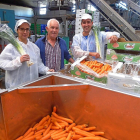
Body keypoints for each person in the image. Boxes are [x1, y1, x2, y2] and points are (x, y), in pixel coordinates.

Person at [0, 19, 54, 89]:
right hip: (16, 87)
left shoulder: (34, 48)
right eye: (22, 29)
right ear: (17, 30)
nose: (25, 32)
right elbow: (2, 63)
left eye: (27, 29)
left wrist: (46, 70)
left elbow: (39, 65)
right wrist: (18, 61)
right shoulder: (11, 47)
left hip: (31, 86)